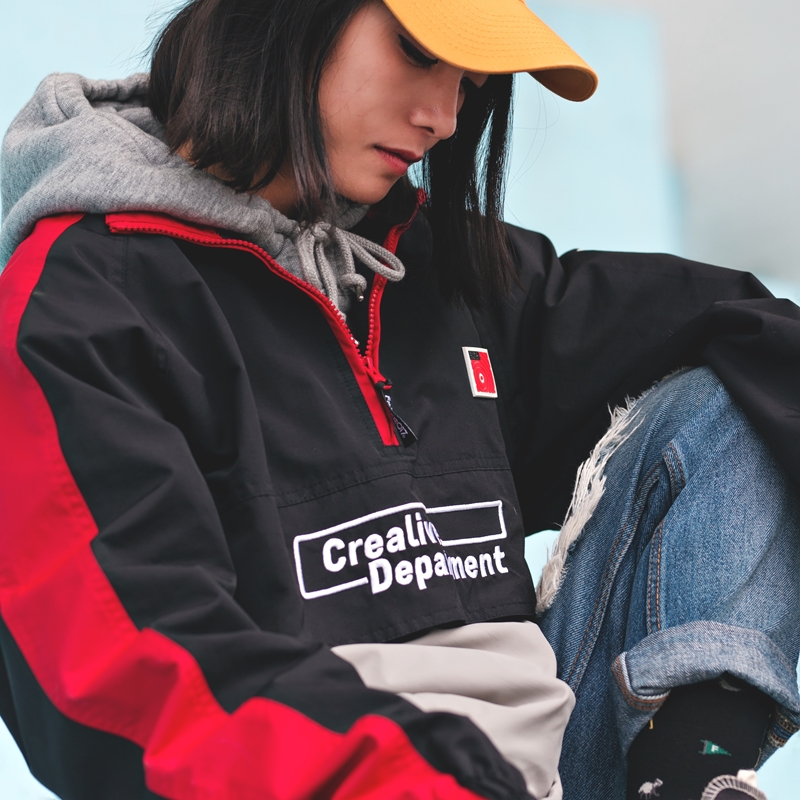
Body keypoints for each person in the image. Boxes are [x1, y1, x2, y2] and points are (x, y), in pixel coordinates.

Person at [0, 1, 798, 798]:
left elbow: (742, 326)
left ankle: (687, 779)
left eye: (470, 83)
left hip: (557, 770)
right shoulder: (83, 306)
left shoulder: (443, 270)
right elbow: (130, 683)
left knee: (744, 394)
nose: (445, 118)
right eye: (418, 51)